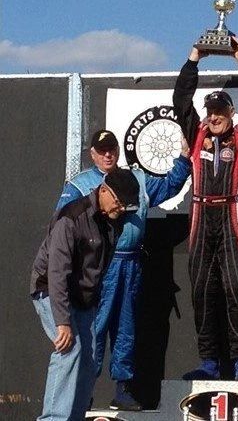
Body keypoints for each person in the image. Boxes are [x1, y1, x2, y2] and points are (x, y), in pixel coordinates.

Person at [54, 130, 191, 409]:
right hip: (99, 267)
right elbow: (62, 223)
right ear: (92, 153)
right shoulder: (80, 185)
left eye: (111, 149)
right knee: (95, 330)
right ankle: (84, 393)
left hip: (132, 264)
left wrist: (184, 160)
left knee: (126, 329)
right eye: (101, 150)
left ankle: (123, 390)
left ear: (118, 150)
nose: (108, 155)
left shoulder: (137, 180)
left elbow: (167, 188)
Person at [173, 34, 238, 381]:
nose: (213, 117)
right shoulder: (197, 134)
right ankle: (209, 362)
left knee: (236, 290)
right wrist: (193, 58)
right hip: (200, 215)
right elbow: (181, 100)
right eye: (209, 111)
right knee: (201, 290)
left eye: (219, 112)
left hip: (232, 215)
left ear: (230, 113)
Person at [31, 168, 141, 421]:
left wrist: (91, 304)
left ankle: (75, 417)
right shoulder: (71, 218)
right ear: (103, 190)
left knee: (90, 358)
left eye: (126, 205)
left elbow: (99, 270)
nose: (121, 208)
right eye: (118, 201)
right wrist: (62, 322)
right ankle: (53, 419)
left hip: (83, 297)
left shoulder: (114, 222)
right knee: (69, 349)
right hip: (50, 289)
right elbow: (56, 273)